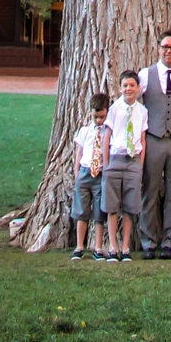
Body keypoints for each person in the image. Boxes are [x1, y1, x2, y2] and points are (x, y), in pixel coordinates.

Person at [138, 32, 171, 259]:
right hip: (152, 138)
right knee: (149, 191)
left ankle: (168, 241)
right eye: (165, 47)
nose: (169, 51)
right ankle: (148, 242)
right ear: (158, 48)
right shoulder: (145, 75)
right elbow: (132, 103)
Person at [102, 72, 148, 261]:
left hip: (133, 161)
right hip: (115, 159)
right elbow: (106, 137)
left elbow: (143, 140)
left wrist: (140, 165)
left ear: (138, 88)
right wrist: (106, 165)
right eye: (125, 86)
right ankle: (113, 246)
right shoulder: (114, 109)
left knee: (130, 207)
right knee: (112, 207)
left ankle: (126, 247)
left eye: (132, 85)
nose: (128, 89)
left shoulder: (142, 111)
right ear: (120, 88)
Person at [70, 92, 110, 260]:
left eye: (101, 117)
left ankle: (98, 247)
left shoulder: (109, 132)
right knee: (81, 211)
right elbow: (79, 152)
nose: (98, 121)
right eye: (95, 117)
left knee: (99, 213)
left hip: (100, 174)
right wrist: (77, 172)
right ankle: (79, 246)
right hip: (85, 172)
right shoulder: (85, 131)